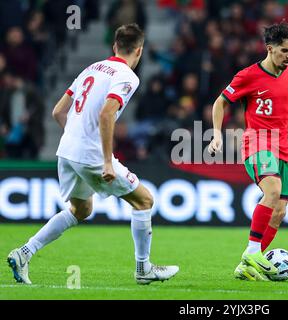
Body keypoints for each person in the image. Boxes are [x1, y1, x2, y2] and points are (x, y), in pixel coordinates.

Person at [6, 23, 179, 285]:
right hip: (91, 155)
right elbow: (107, 113)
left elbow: (57, 112)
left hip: (66, 151)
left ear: (114, 46)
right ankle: (143, 269)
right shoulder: (128, 76)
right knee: (144, 201)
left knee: (81, 209)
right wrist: (107, 161)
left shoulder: (92, 68)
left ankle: (24, 253)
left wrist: (76, 136)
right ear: (139, 51)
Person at [208, 23, 288, 281]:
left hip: (282, 144)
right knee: (271, 191)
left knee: (280, 211)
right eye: (284, 51)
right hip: (258, 141)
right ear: (270, 49)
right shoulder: (248, 75)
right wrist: (216, 134)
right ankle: (252, 252)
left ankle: (247, 265)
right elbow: (220, 103)